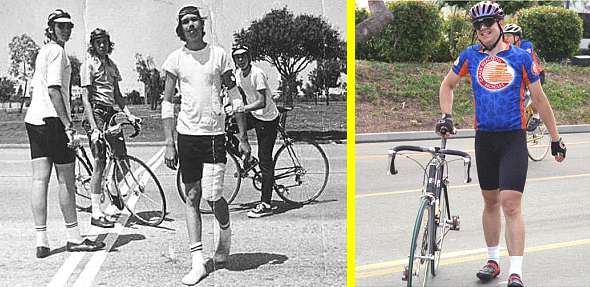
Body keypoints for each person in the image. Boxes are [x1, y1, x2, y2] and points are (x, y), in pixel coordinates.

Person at [435, 2, 567, 286]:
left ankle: (515, 271)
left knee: (510, 204)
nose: (483, 29)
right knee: (491, 201)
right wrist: (446, 116)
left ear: (499, 25)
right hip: (485, 139)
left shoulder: (520, 57)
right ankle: (493, 260)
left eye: (488, 24)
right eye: (478, 26)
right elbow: (447, 85)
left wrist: (555, 138)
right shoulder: (469, 56)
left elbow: (540, 99)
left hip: (512, 138)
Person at [161, 6, 251, 285]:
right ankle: (197, 261)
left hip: (214, 135)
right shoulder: (175, 59)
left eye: (194, 21)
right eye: (185, 22)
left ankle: (224, 237)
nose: (190, 26)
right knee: (192, 196)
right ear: (181, 28)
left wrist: (244, 137)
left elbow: (235, 95)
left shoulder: (219, 55)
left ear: (202, 25)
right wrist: (169, 142)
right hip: (187, 135)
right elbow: (167, 102)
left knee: (213, 196)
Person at [24, 9, 105, 259]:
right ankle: (73, 237)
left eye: (69, 26)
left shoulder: (43, 51)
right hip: (53, 121)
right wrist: (69, 126)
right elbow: (54, 90)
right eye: (61, 26)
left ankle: (42, 241)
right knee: (65, 180)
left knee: (40, 180)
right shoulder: (58, 52)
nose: (66, 30)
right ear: (51, 29)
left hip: (34, 120)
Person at [80, 28, 141, 228]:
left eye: (105, 42)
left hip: (111, 113)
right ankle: (96, 212)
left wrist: (129, 115)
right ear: (93, 45)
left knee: (123, 160)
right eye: (98, 42)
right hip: (95, 113)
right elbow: (86, 99)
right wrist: (95, 127)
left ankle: (113, 187)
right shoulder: (88, 64)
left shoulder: (112, 65)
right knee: (100, 160)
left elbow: (118, 96)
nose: (103, 45)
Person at [232, 46, 280, 218]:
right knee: (228, 127)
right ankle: (249, 160)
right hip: (253, 115)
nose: (241, 60)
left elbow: (261, 102)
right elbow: (241, 96)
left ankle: (266, 203)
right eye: (237, 57)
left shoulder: (257, 74)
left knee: (265, 160)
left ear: (249, 57)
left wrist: (242, 108)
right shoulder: (238, 75)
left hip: (267, 118)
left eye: (244, 56)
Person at [503, 23, 546, 131]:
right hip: (521, 75)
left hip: (536, 74)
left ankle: (537, 117)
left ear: (516, 37)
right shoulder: (506, 47)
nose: (505, 38)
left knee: (531, 95)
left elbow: (521, 59)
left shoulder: (526, 45)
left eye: (508, 35)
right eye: (504, 35)